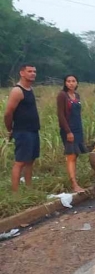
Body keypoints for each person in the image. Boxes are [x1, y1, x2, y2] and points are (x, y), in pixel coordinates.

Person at [4, 64, 40, 192]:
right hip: (23, 131)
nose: (33, 74)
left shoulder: (30, 89)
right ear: (22, 73)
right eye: (29, 71)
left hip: (33, 130)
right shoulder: (17, 91)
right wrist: (10, 129)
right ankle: (15, 193)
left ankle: (29, 188)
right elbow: (8, 113)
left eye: (34, 71)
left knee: (30, 160)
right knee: (20, 162)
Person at [57, 75, 88, 193]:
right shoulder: (62, 95)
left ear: (77, 83)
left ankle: (75, 180)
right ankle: (74, 184)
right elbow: (61, 115)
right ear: (65, 83)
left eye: (73, 81)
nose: (71, 83)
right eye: (68, 81)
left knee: (76, 155)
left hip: (78, 128)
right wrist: (68, 131)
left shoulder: (77, 95)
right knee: (71, 156)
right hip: (68, 129)